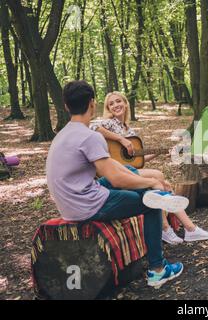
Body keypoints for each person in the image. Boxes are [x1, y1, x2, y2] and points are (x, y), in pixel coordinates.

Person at [46, 80, 186, 289]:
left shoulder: (63, 134)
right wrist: (151, 183)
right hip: (86, 205)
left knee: (130, 170)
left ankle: (159, 194)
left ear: (66, 106)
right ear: (92, 103)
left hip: (72, 202)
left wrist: (150, 181)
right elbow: (116, 180)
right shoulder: (90, 137)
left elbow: (115, 168)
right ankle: (158, 270)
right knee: (151, 204)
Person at [91, 91, 208, 244]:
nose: (116, 105)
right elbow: (93, 127)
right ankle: (176, 228)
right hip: (113, 175)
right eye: (111, 104)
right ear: (108, 109)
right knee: (157, 177)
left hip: (128, 170)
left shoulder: (129, 131)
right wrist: (121, 140)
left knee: (159, 180)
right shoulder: (109, 123)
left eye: (118, 101)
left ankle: (178, 229)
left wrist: (160, 153)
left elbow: (138, 161)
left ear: (125, 103)